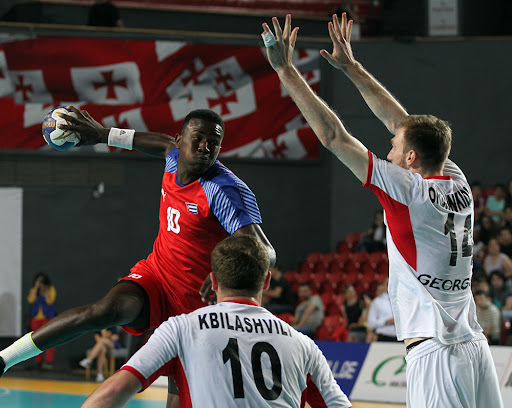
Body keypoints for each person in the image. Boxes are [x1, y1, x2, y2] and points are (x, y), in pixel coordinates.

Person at [261, 13, 503, 407]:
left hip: (437, 352)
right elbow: (405, 122)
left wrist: (286, 71)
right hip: (473, 347)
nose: (387, 149)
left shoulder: (409, 191)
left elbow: (333, 136)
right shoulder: (455, 180)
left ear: (410, 158)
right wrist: (352, 67)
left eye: (393, 145)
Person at [0, 108, 276, 408]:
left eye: (214, 143)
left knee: (179, 397)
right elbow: (157, 142)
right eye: (198, 139)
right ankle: (4, 359)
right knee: (104, 310)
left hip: (198, 306)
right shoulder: (173, 156)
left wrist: (224, 270)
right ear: (180, 140)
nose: (205, 147)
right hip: (157, 276)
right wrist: (102, 134)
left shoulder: (224, 190)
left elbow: (265, 251)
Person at [80, 234, 352, 408]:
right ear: (267, 281)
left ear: (213, 281)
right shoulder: (303, 345)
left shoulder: (182, 329)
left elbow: (115, 391)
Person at [27, 272, 56, 370]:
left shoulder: (51, 290)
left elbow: (50, 301)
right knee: (35, 340)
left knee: (49, 339)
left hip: (47, 318)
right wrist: (36, 288)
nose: (41, 284)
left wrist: (45, 290)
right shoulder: (34, 290)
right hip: (35, 319)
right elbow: (30, 300)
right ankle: (38, 362)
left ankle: (48, 362)